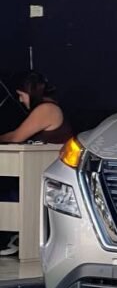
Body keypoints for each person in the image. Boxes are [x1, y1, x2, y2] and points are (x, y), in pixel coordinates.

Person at [0, 71, 72, 257]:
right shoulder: (48, 108)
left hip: (49, 174)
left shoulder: (47, 109)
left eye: (21, 95)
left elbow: (17, 137)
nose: (20, 100)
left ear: (30, 91)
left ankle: (10, 236)